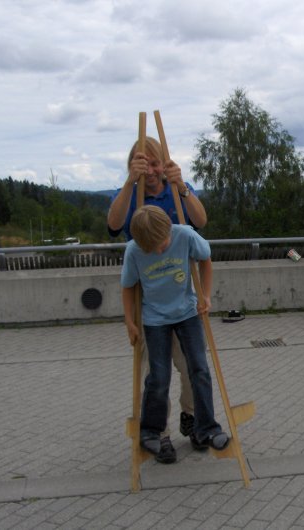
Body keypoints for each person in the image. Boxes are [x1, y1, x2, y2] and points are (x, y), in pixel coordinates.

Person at [108, 136, 207, 463]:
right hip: (149, 302)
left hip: (181, 299)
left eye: (155, 163)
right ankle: (159, 434)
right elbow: (113, 225)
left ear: (163, 163)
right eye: (143, 163)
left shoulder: (175, 189)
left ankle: (192, 418)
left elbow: (201, 222)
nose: (150, 171)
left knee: (192, 366)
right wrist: (130, 182)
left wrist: (183, 188)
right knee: (155, 375)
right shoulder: (129, 193)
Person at [121, 205, 229, 457]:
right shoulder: (134, 250)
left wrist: (205, 295)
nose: (159, 251)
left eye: (162, 244)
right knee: (158, 377)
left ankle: (206, 428)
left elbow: (205, 259)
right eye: (152, 249)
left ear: (169, 229)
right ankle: (152, 431)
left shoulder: (185, 235)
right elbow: (127, 286)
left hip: (187, 313)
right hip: (154, 319)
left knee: (199, 369)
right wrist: (130, 322)